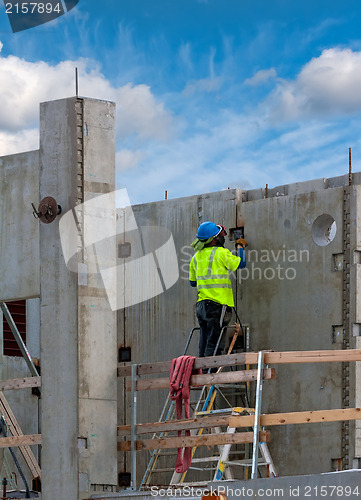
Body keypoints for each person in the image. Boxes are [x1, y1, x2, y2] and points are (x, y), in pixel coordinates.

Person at [189, 221, 247, 358]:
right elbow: (241, 263)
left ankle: (204, 371)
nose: (222, 237)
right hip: (217, 305)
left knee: (204, 339)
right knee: (214, 342)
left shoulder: (195, 258)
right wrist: (240, 247)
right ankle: (210, 373)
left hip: (201, 306)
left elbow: (192, 283)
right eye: (220, 235)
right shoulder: (221, 253)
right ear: (214, 240)